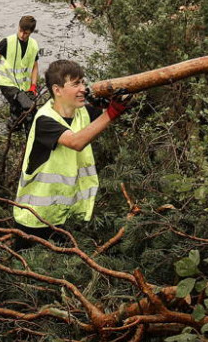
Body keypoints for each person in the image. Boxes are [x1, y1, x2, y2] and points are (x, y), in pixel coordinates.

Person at [12, 59, 135, 246]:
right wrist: (111, 112)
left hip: (66, 217)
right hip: (35, 219)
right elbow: (76, 141)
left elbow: (107, 113)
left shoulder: (82, 113)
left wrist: (114, 100)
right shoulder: (45, 120)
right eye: (76, 83)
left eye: (83, 82)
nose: (83, 89)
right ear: (57, 90)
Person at [0, 15, 41, 128]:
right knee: (29, 106)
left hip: (23, 86)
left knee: (24, 115)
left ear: (31, 32)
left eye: (26, 33)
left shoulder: (33, 45)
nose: (22, 35)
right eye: (20, 31)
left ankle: (15, 125)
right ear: (18, 27)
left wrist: (33, 85)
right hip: (7, 84)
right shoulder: (7, 42)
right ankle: (17, 123)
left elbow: (35, 67)